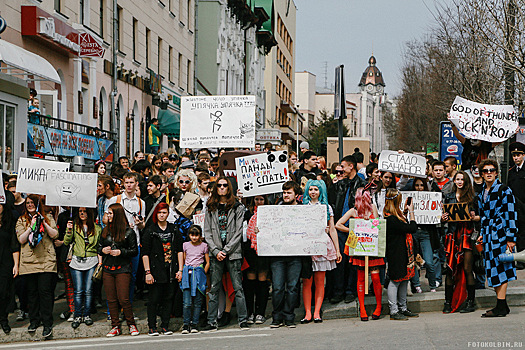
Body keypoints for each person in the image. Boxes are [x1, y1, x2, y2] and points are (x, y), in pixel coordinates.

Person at [202, 177, 249, 331]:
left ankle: (243, 319)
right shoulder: (210, 206)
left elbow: (238, 232)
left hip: (233, 252)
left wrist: (226, 250)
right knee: (214, 288)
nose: (222, 188)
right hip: (216, 253)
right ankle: (211, 321)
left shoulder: (237, 207)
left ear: (229, 188)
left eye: (224, 185)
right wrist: (216, 251)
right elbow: (207, 232)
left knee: (238, 287)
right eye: (219, 185)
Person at [335, 188, 384, 321]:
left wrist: (371, 223)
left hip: (371, 247)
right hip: (359, 247)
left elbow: (379, 226)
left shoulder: (373, 208)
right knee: (361, 278)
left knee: (375, 278)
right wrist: (353, 229)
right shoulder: (353, 211)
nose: (363, 200)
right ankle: (362, 308)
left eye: (365, 198)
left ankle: (379, 306)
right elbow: (338, 224)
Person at [477, 159, 517, 317]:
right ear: (481, 174)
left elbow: (511, 214)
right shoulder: (482, 193)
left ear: (496, 172)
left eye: (491, 170)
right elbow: (482, 217)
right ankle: (503, 305)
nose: (488, 173)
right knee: (492, 270)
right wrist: (481, 233)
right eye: (485, 171)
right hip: (488, 236)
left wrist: (511, 238)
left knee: (501, 268)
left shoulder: (503, 190)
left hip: (501, 235)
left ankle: (501, 306)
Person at [16, 195, 59, 338]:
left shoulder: (47, 216)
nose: (30, 205)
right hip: (29, 262)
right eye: (27, 203)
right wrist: (31, 225)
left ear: (37, 204)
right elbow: (21, 239)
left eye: (32, 203)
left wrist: (43, 222)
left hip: (46, 260)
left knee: (45, 293)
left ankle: (47, 323)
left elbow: (54, 234)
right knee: (32, 293)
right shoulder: (22, 219)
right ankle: (34, 320)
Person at [264, 181, 304, 328]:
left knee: (292, 287)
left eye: (289, 192)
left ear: (296, 194)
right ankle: (277, 317)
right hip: (278, 255)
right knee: (278, 287)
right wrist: (259, 230)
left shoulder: (303, 210)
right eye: (284, 192)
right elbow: (267, 228)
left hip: (295, 255)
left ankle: (289, 317)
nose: (286, 195)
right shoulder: (275, 210)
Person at [301, 180, 342, 323]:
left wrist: (337, 250)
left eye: (316, 190)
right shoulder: (303, 207)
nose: (313, 192)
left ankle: (317, 312)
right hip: (306, 247)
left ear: (321, 192)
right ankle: (307, 312)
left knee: (319, 282)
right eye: (310, 189)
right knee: (307, 281)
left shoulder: (327, 207)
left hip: (322, 246)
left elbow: (332, 229)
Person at [328, 154, 366, 304]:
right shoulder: (340, 184)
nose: (340, 169)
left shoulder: (362, 184)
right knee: (339, 260)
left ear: (351, 166)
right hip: (339, 227)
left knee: (353, 261)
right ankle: (338, 291)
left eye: (343, 166)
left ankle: (350, 290)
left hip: (354, 227)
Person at [142, 203, 184, 336]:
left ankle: (165, 325)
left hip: (171, 268)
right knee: (154, 299)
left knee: (168, 298)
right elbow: (145, 253)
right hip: (155, 269)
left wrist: (180, 270)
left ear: (168, 214)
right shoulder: (150, 230)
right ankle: (152, 326)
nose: (162, 215)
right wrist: (147, 272)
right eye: (159, 212)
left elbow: (179, 250)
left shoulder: (174, 229)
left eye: (164, 212)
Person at [104, 172, 145, 304]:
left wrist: (140, 224)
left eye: (131, 182)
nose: (128, 185)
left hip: (134, 244)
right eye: (126, 182)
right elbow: (105, 220)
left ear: (136, 184)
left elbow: (143, 225)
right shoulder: (114, 200)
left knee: (131, 277)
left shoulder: (140, 202)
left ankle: (127, 307)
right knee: (114, 277)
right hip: (116, 243)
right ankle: (114, 310)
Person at [442, 171, 480, 314]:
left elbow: (479, 217)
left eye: (462, 179)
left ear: (466, 181)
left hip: (467, 235)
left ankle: (470, 302)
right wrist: (443, 217)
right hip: (452, 235)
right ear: (454, 181)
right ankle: (447, 302)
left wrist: (473, 216)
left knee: (467, 268)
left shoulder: (472, 197)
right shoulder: (448, 197)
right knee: (450, 269)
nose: (459, 182)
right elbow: (442, 217)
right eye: (457, 179)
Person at [99, 203, 139, 337]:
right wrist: (103, 250)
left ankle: (131, 324)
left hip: (123, 268)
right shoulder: (105, 231)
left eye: (110, 213)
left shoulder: (128, 231)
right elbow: (98, 247)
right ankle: (115, 326)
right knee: (111, 299)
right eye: (107, 213)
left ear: (117, 214)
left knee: (123, 298)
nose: (108, 216)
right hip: (108, 268)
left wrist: (121, 252)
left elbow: (134, 251)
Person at [64, 208, 102, 328]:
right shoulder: (74, 226)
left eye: (84, 211)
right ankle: (77, 315)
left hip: (91, 260)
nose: (82, 213)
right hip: (77, 260)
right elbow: (66, 242)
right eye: (80, 211)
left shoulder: (97, 228)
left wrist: (100, 262)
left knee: (88, 290)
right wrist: (69, 230)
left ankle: (87, 315)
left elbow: (99, 245)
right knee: (78, 290)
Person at [383, 188, 419, 321]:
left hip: (404, 252)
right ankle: (394, 310)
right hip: (396, 253)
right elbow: (412, 228)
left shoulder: (395, 216)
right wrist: (412, 212)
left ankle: (403, 308)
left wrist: (404, 212)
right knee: (395, 281)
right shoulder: (391, 219)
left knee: (404, 279)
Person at [407, 177, 439, 294]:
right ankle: (416, 285)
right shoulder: (409, 199)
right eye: (417, 185)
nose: (419, 188)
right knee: (414, 261)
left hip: (426, 233)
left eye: (421, 185)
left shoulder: (430, 198)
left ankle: (432, 285)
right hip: (413, 233)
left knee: (429, 261)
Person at [244, 195, 271, 325]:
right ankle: (250, 312)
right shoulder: (247, 214)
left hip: (264, 252)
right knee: (250, 283)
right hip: (250, 251)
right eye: (256, 199)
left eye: (261, 199)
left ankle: (261, 312)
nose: (259, 202)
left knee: (262, 282)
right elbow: (244, 233)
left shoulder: (270, 213)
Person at [181, 225, 210, 334]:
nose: (194, 237)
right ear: (189, 235)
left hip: (198, 273)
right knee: (187, 302)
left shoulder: (204, 246)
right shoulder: (185, 245)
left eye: (196, 235)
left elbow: (207, 261)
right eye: (192, 235)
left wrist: (203, 272)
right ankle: (186, 324)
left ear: (200, 235)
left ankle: (194, 324)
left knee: (198, 301)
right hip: (187, 275)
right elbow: (184, 260)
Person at [0, 195, 19, 334]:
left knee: (4, 293)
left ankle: (3, 320)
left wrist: (16, 264)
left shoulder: (9, 222)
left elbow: (14, 245)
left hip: (5, 262)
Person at [507, 142, 525, 270]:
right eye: (514, 155)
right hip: (516, 206)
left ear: (523, 155)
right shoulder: (512, 171)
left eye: (518, 155)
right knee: (519, 232)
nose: (516, 158)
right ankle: (521, 259)